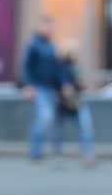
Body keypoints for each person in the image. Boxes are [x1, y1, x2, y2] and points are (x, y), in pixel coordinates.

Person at [20, 16, 64, 161]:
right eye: (47, 26)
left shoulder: (51, 45)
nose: (50, 29)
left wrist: (60, 87)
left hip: (51, 88)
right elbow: (26, 66)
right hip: (39, 87)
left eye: (51, 26)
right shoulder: (33, 44)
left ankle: (54, 151)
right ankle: (35, 151)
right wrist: (27, 85)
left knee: (51, 120)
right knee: (45, 118)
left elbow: (56, 68)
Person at [52, 42, 95, 166]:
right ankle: (59, 156)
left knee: (83, 129)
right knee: (62, 131)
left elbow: (75, 83)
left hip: (72, 102)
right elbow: (66, 87)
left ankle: (85, 155)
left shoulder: (73, 66)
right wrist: (71, 97)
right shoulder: (62, 66)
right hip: (67, 103)